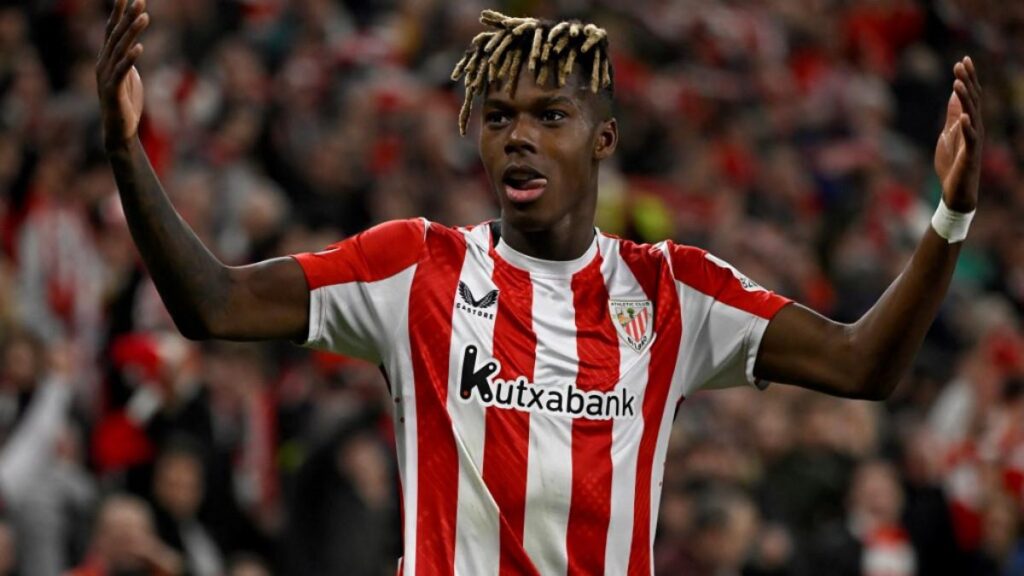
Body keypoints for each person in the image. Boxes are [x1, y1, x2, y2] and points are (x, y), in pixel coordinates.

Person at [95, 1, 984, 573]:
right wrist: (127, 150)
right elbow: (212, 303)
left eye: (550, 116)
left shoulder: (672, 291)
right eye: (499, 118)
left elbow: (864, 364)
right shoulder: (416, 268)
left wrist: (950, 214)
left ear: (603, 140)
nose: (518, 137)